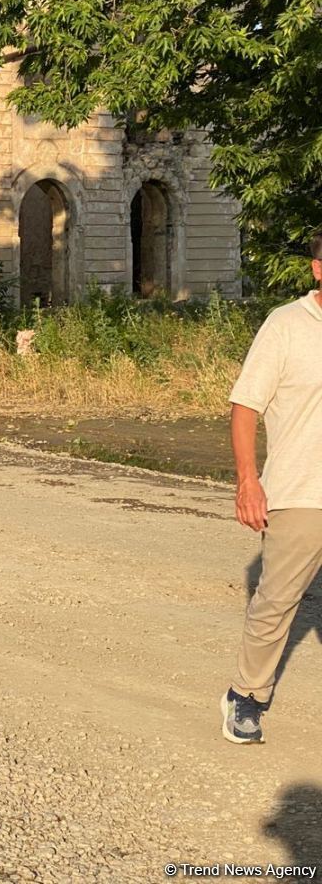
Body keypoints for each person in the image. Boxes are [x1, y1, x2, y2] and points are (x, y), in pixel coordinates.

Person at [223, 230, 322, 744]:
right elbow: (245, 407)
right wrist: (248, 481)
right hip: (300, 492)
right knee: (277, 602)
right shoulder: (285, 326)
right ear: (318, 269)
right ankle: (247, 696)